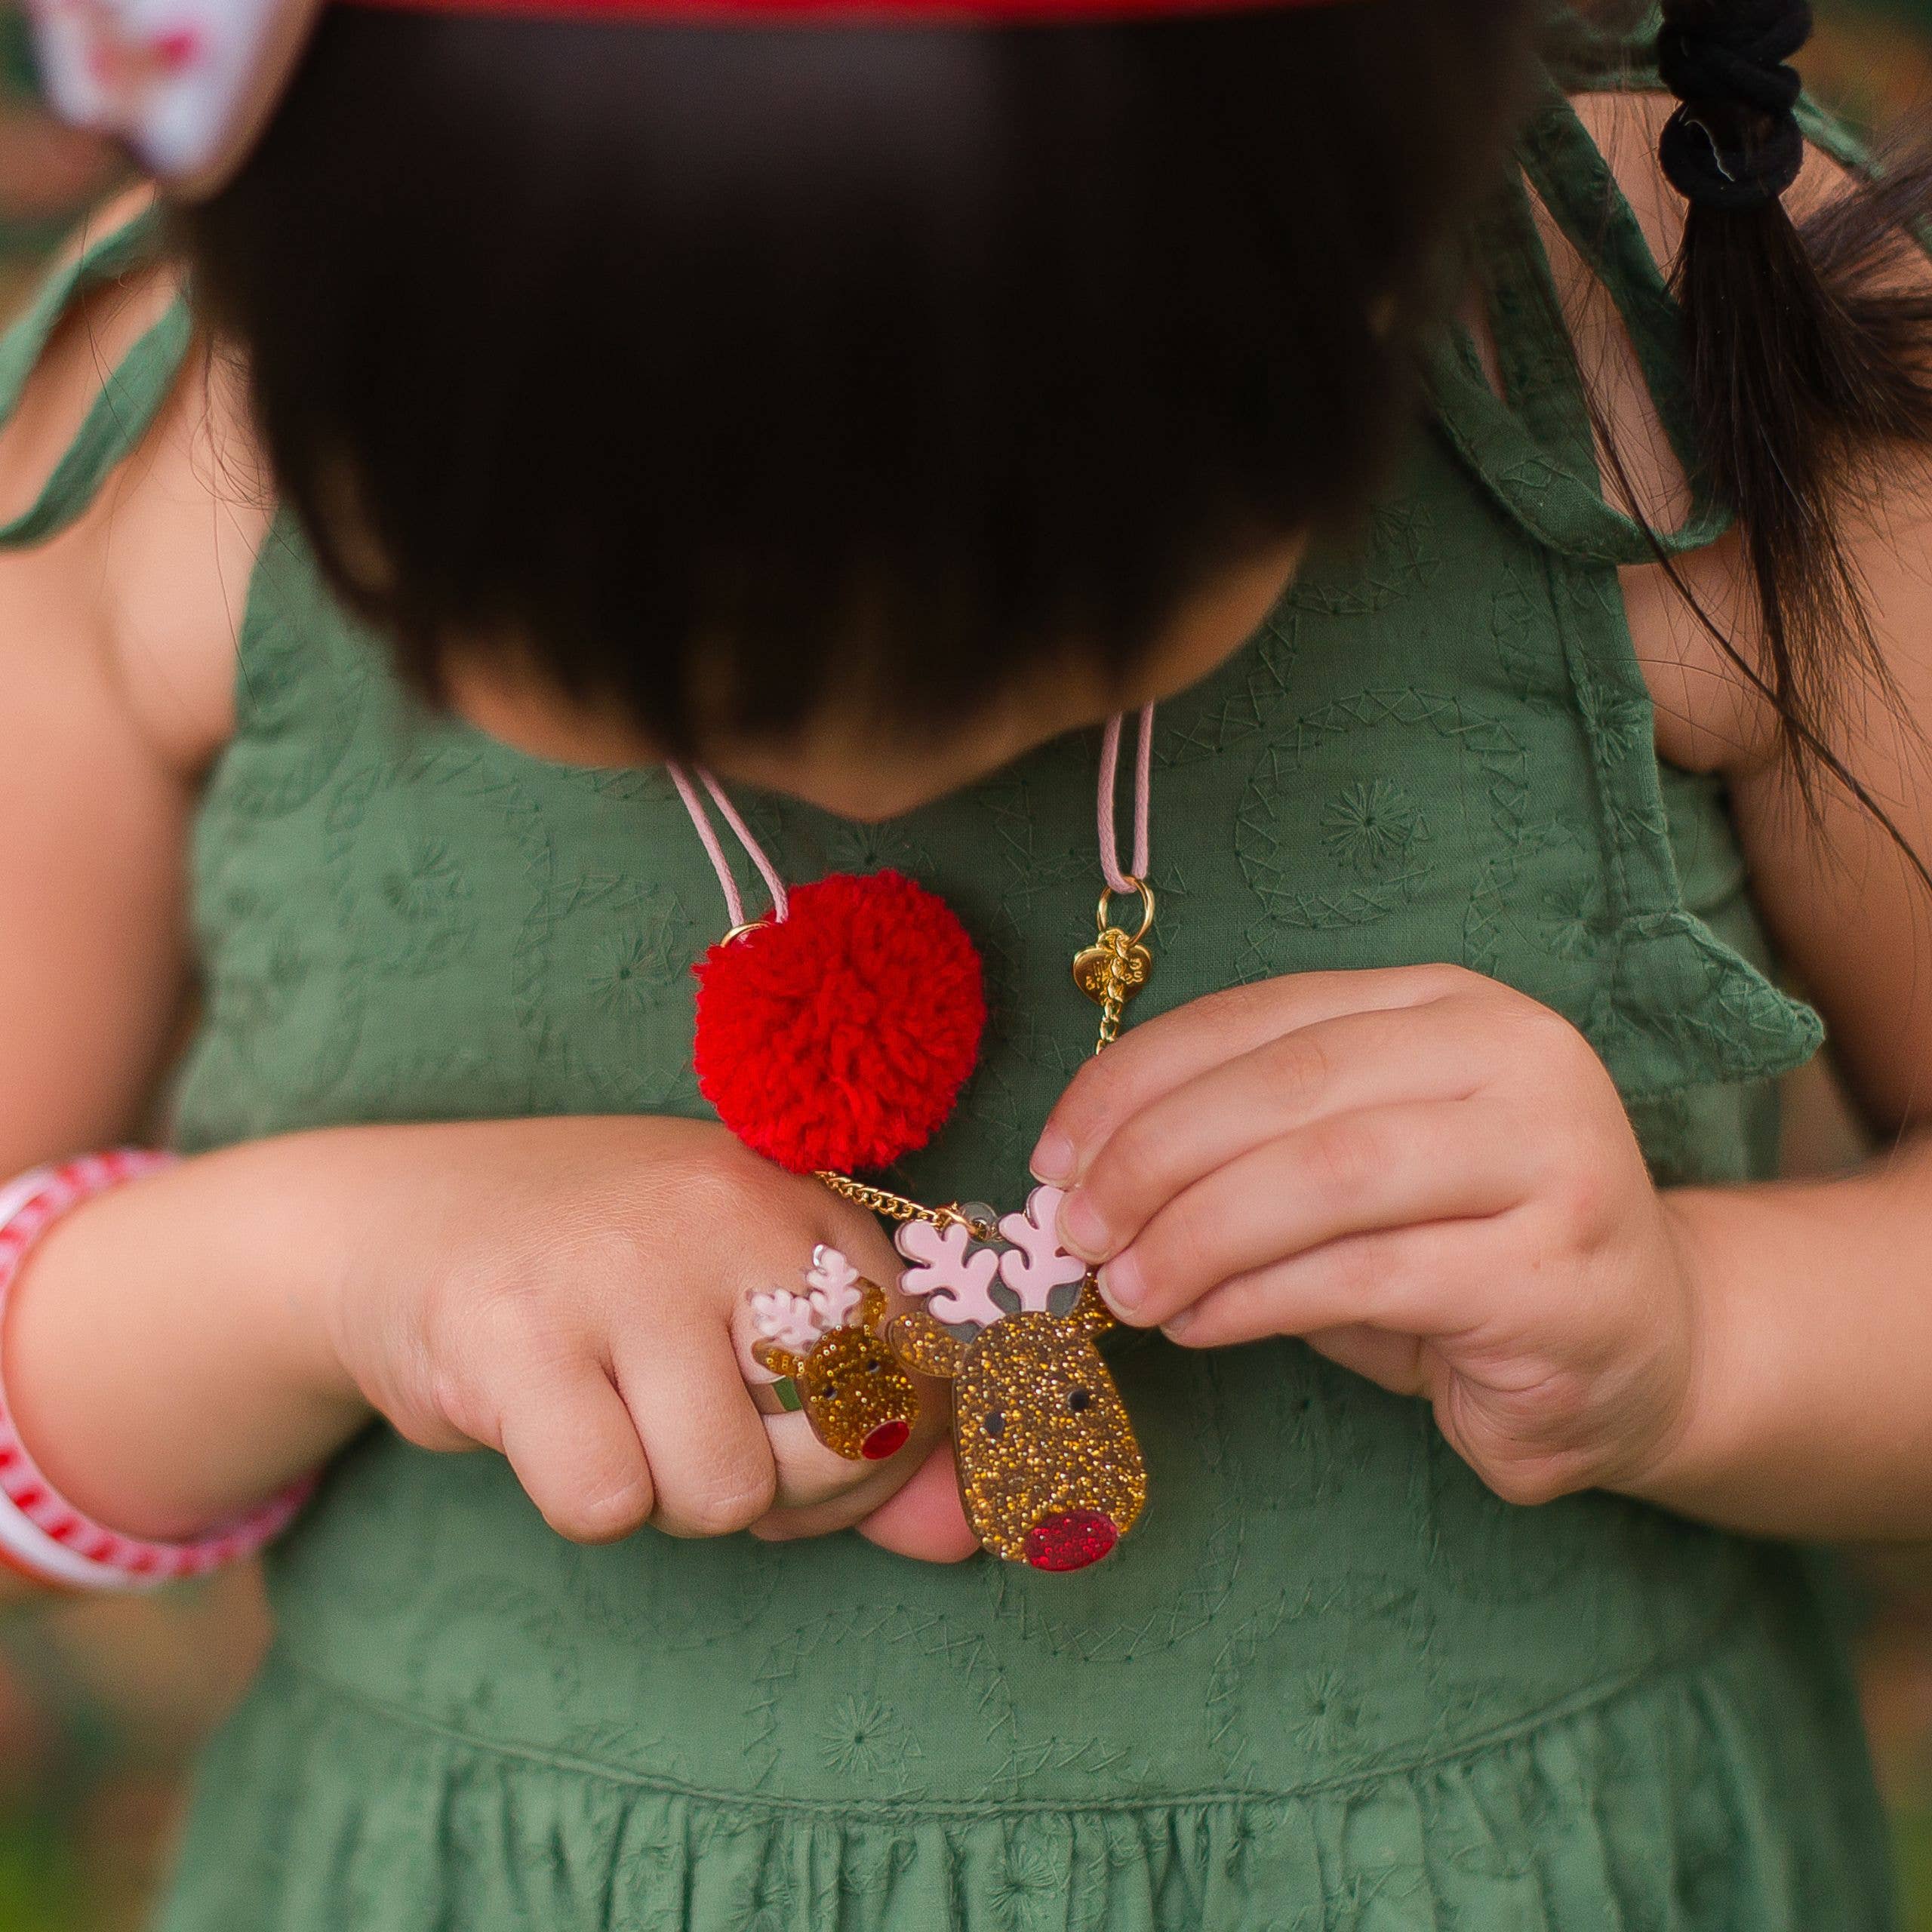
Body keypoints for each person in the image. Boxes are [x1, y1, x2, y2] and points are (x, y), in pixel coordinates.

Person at [0, 0, 1927, 1922]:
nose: (853, 755)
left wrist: (1694, 1335)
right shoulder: (166, 466)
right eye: (610, 639)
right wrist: (340, 1271)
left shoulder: (1684, 343)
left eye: (1045, 605)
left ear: (1366, 246)